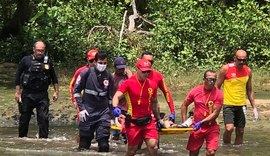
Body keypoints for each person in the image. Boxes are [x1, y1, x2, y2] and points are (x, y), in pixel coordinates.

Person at [112, 59, 161, 156]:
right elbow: (116, 96)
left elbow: (154, 102)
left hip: (148, 121)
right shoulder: (128, 83)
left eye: (148, 71)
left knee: (153, 145)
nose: (146, 73)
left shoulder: (152, 84)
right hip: (133, 122)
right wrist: (115, 107)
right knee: (132, 151)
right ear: (137, 69)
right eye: (144, 71)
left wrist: (158, 119)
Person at [14, 40, 59, 138]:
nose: (40, 53)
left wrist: (56, 92)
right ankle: (22, 139)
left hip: (42, 95)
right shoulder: (25, 60)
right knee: (24, 119)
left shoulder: (48, 62)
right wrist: (17, 93)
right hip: (27, 94)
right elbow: (17, 76)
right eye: (38, 50)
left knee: (43, 119)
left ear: (44, 51)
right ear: (33, 49)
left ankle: (43, 141)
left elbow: (54, 78)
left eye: (42, 51)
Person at [73, 52, 114, 152]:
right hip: (87, 112)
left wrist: (112, 115)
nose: (103, 65)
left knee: (104, 145)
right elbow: (76, 91)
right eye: (100, 63)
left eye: (105, 63)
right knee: (84, 144)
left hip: (103, 113)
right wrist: (81, 109)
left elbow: (110, 98)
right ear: (95, 62)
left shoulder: (109, 76)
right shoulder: (86, 73)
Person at [216, 49, 259, 145]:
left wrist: (254, 108)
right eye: (239, 60)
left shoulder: (248, 71)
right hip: (228, 103)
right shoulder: (226, 69)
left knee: (240, 132)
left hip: (241, 105)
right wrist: (216, 105)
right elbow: (217, 87)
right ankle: (227, 148)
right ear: (235, 58)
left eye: (244, 60)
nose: (242, 62)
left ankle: (237, 151)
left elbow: (249, 90)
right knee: (229, 128)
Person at [181, 70, 223, 156]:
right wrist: (184, 123)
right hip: (196, 127)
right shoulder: (196, 91)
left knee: (211, 152)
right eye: (209, 79)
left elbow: (215, 113)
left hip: (212, 127)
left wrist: (202, 122)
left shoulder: (219, 94)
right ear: (204, 79)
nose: (212, 82)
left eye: (214, 80)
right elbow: (184, 105)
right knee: (193, 153)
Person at [141, 52, 175, 122]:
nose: (149, 63)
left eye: (151, 61)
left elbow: (166, 92)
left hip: (154, 112)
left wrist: (172, 111)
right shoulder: (134, 77)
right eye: (146, 61)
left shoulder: (158, 76)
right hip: (139, 113)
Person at [69, 49, 98, 121]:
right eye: (91, 61)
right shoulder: (81, 71)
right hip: (83, 102)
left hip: (98, 103)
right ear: (88, 60)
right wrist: (74, 100)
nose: (93, 63)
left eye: (95, 60)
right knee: (83, 124)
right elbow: (72, 85)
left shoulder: (103, 73)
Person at [111, 57, 132, 142]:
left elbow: (134, 85)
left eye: (123, 68)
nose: (121, 70)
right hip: (116, 106)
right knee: (116, 131)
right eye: (119, 69)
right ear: (115, 67)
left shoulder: (127, 76)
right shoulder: (111, 77)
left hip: (126, 107)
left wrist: (129, 74)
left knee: (126, 132)